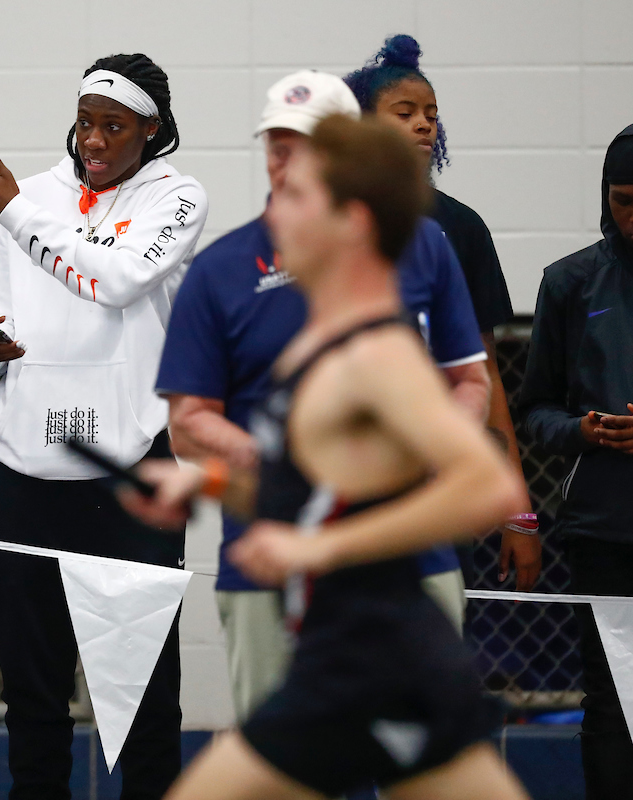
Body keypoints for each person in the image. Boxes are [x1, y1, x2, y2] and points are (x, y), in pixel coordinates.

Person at [134, 115, 530, 800]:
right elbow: (325, 492)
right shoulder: (318, 346)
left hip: (388, 659)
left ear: (351, 221)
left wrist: (318, 551)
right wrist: (211, 487)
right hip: (338, 660)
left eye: (298, 195)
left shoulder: (376, 354)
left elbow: (486, 487)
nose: (275, 203)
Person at [0, 53, 209, 799]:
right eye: (86, 122)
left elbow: (115, 282)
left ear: (150, 130)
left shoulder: (176, 198)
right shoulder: (28, 198)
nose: (92, 139)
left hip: (126, 482)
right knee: (32, 696)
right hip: (23, 477)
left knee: (144, 700)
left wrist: (14, 212)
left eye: (112, 126)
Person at [345, 33, 540, 591]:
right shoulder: (324, 219)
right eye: (404, 113)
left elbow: (483, 372)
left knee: (434, 653)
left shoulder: (462, 228)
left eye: (431, 114)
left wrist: (518, 510)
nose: (424, 125)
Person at [517, 123, 633, 800]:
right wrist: (584, 430)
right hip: (603, 530)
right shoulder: (570, 282)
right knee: (613, 701)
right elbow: (534, 411)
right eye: (624, 200)